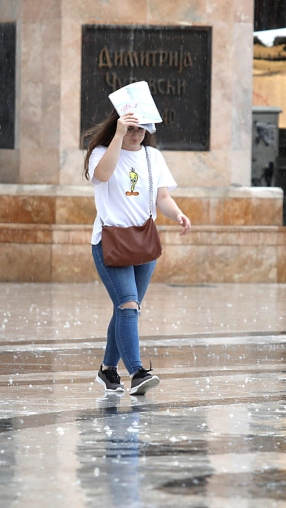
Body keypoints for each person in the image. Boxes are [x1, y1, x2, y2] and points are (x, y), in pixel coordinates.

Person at [83, 110, 191, 395]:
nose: (136, 134)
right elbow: (102, 175)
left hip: (144, 242)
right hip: (111, 241)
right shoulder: (101, 153)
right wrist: (118, 134)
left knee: (127, 309)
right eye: (131, 128)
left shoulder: (152, 156)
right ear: (118, 126)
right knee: (128, 306)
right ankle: (137, 372)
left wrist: (178, 214)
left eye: (141, 129)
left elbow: (162, 197)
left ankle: (108, 370)